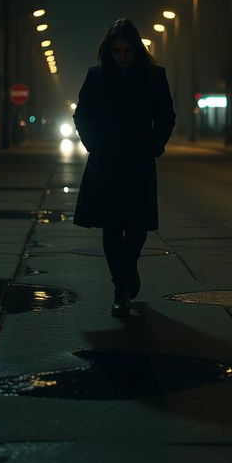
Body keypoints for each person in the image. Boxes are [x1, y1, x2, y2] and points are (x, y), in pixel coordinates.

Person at [73, 18, 176, 317]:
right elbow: (82, 115)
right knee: (111, 224)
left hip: (139, 160)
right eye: (117, 51)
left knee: (137, 225)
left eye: (127, 51)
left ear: (136, 49)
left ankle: (128, 268)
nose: (122, 57)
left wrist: (155, 145)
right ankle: (120, 288)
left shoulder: (154, 77)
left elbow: (167, 116)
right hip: (105, 162)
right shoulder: (96, 76)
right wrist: (93, 144)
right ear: (109, 50)